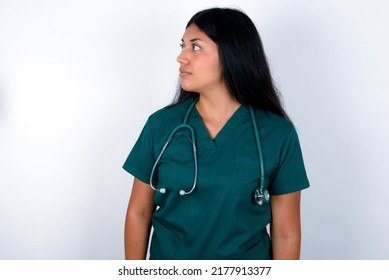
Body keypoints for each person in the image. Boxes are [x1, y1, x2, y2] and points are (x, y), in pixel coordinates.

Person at [122, 7, 309, 260]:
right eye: (182, 46)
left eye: (195, 47)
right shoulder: (162, 125)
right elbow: (139, 212)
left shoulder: (278, 134)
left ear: (232, 54)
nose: (181, 57)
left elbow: (286, 233)